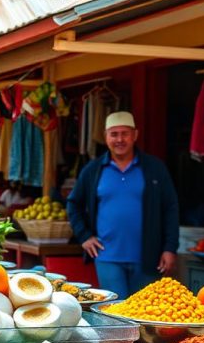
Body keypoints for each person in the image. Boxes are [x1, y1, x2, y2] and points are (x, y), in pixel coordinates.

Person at [67, 111, 180, 297]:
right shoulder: (93, 170)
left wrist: (169, 248)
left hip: (148, 258)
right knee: (115, 316)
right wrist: (84, 236)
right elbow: (73, 204)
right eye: (114, 134)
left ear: (135, 135)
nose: (120, 139)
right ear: (105, 137)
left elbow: (170, 208)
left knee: (144, 316)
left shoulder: (154, 168)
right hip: (107, 257)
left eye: (125, 133)